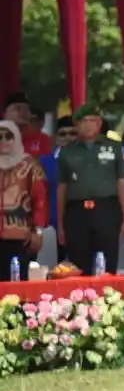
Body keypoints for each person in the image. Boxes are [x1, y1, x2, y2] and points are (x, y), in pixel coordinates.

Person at [56, 104, 124, 275]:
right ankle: (81, 300)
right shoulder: (66, 152)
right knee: (78, 264)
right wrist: (60, 225)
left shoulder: (115, 147)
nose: (89, 124)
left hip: (106, 208)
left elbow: (122, 183)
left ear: (99, 123)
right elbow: (61, 188)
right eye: (84, 121)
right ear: (76, 124)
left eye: (93, 120)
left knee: (108, 262)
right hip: (76, 211)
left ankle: (109, 299)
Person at [0, 119, 49, 279]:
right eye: (0, 137)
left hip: (20, 236)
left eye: (9, 136)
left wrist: (38, 231)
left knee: (18, 284)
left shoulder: (29, 164)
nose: (4, 141)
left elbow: (40, 200)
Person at [4, 92, 52, 157]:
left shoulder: (42, 140)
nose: (23, 113)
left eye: (26, 109)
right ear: (5, 113)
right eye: (18, 108)